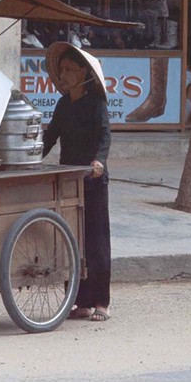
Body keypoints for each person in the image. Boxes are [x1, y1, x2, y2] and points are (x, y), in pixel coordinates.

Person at [43, 41, 112, 322]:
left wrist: (99, 162)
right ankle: (79, 301)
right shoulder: (62, 104)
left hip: (93, 180)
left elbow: (105, 136)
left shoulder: (97, 104)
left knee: (96, 242)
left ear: (83, 72)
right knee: (72, 242)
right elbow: (50, 137)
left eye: (69, 69)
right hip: (69, 179)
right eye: (61, 70)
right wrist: (29, 156)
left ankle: (101, 302)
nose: (64, 74)